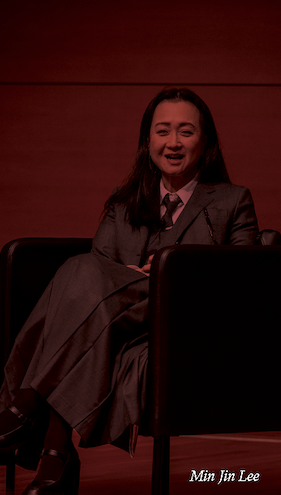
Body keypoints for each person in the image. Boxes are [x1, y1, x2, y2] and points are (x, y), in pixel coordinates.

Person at [0, 88, 258, 494]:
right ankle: (55, 450)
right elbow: (89, 284)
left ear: (204, 142)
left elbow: (242, 286)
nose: (173, 142)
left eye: (186, 131)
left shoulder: (232, 200)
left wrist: (169, 275)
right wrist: (128, 279)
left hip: (178, 325)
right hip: (110, 328)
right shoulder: (123, 204)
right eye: (163, 131)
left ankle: (27, 405)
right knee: (79, 270)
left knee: (83, 274)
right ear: (148, 141)